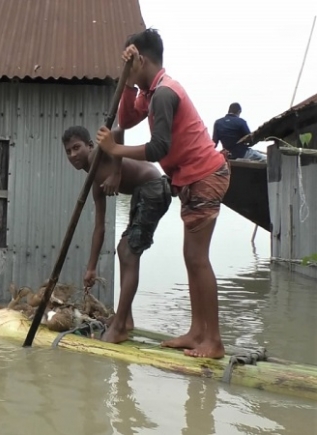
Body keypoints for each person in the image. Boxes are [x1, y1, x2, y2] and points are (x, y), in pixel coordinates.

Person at [95, 28, 230, 359]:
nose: (126, 67)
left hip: (205, 176)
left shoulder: (165, 94)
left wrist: (116, 149)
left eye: (129, 61)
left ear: (140, 58)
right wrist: (127, 80)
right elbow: (126, 116)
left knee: (198, 259)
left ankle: (213, 341)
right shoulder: (149, 91)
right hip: (193, 180)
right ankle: (198, 332)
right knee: (191, 258)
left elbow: (158, 148)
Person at [62, 125, 171, 344]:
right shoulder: (95, 184)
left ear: (90, 146)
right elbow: (99, 227)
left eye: (77, 148)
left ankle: (120, 326)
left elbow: (119, 131)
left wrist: (116, 172)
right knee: (124, 249)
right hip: (142, 193)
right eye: (68, 151)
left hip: (155, 188)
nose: (73, 155)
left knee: (128, 252)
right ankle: (126, 319)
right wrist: (91, 267)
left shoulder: (99, 154)